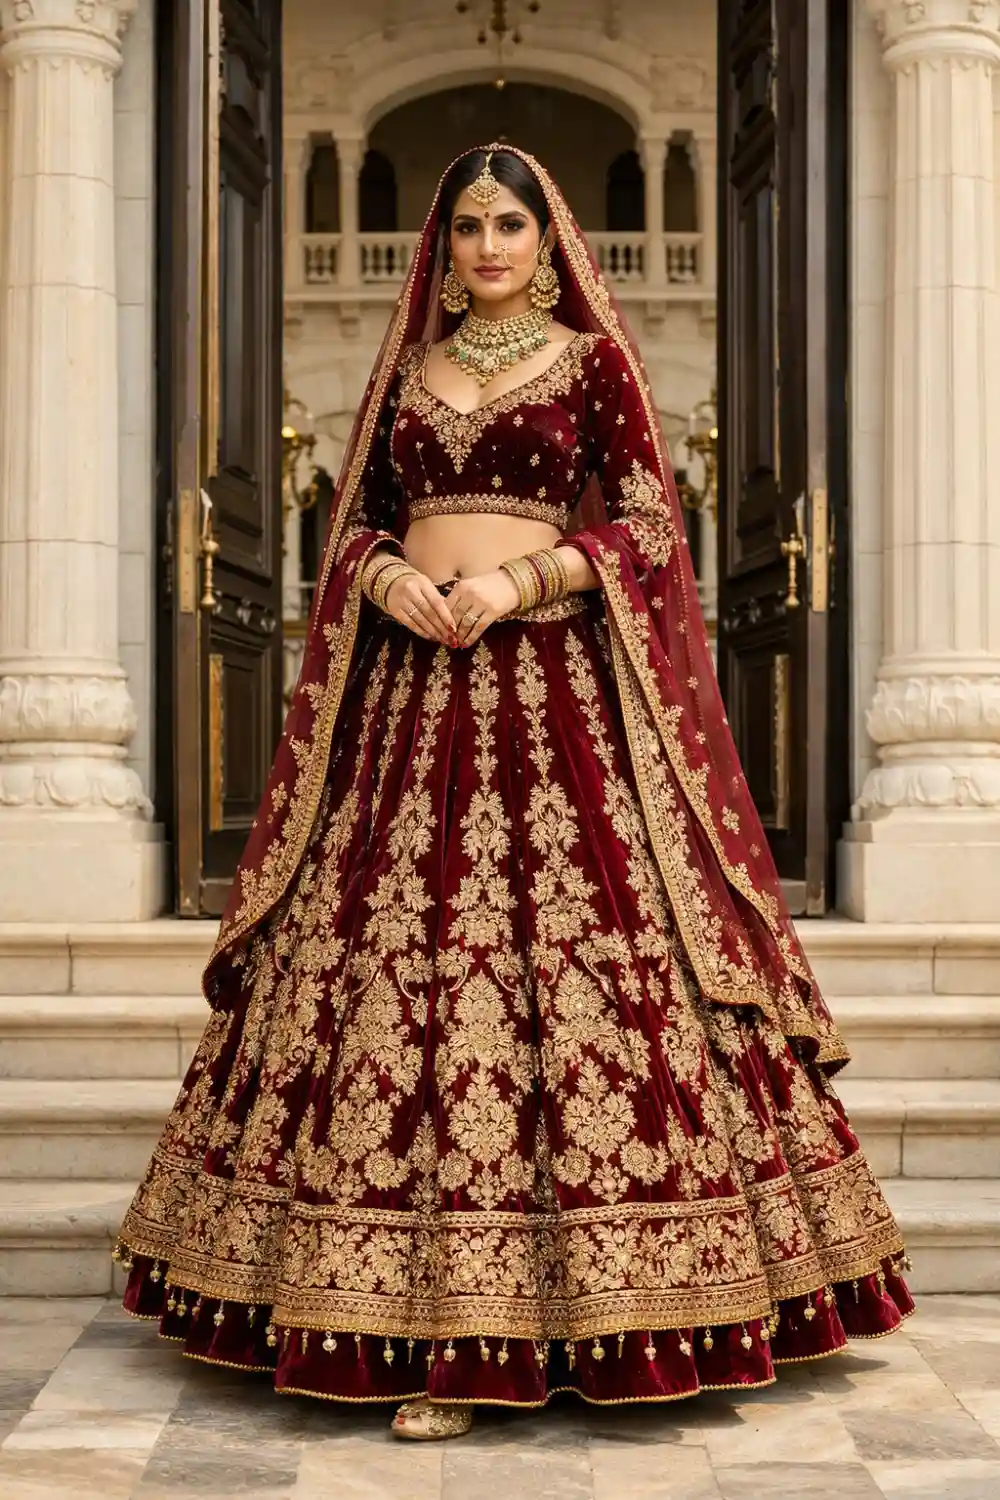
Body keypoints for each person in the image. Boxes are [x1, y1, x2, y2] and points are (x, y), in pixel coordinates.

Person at [115, 145, 912, 1441]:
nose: (490, 246)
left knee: (581, 963)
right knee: (393, 972)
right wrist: (395, 586)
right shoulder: (406, 373)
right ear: (446, 242)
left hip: (556, 703)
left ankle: (631, 1302)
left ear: (549, 242)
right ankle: (402, 1321)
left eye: (513, 225)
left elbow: (650, 520)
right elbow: (355, 520)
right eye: (472, 224)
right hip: (407, 700)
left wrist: (516, 584)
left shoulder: (591, 366)